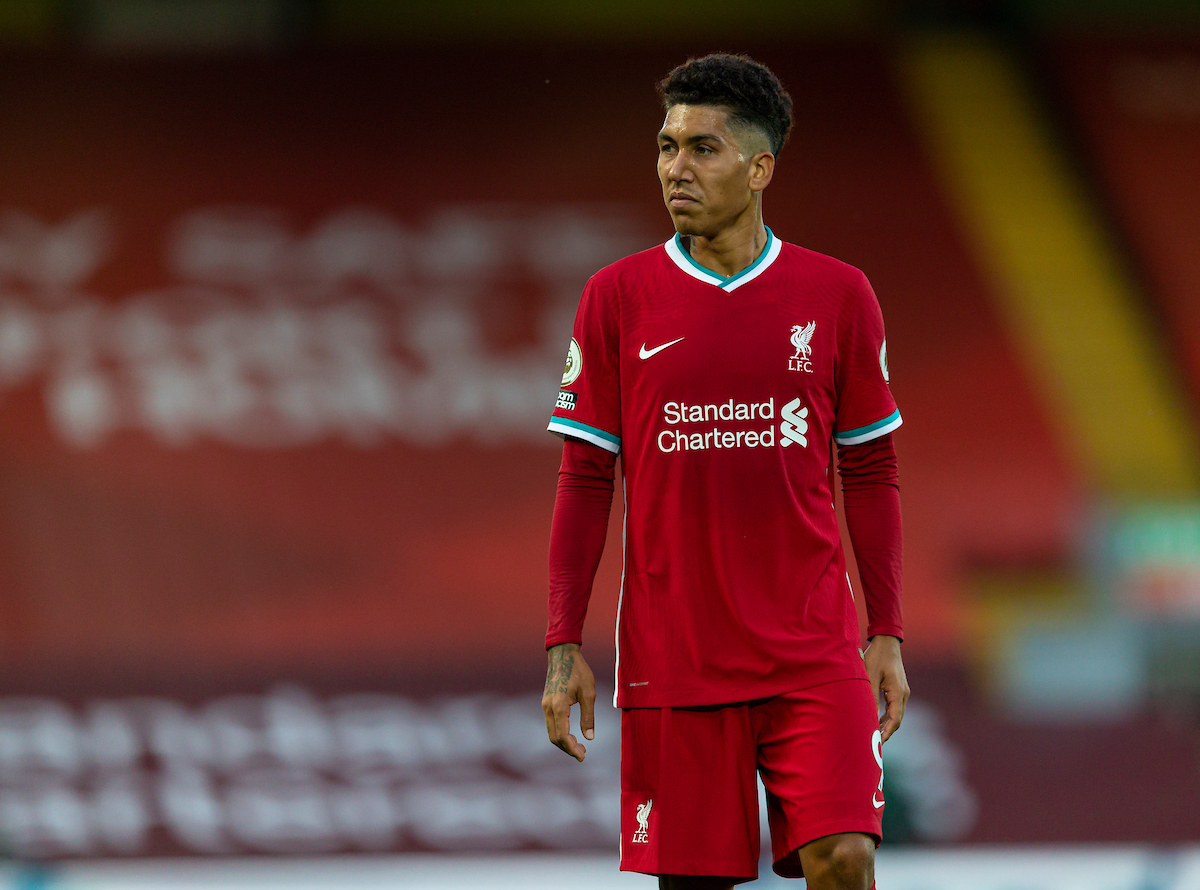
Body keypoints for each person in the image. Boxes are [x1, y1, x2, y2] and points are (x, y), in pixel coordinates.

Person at [541, 53, 909, 890]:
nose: (675, 167)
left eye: (702, 148)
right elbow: (585, 479)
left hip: (812, 650)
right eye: (666, 146)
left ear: (759, 166)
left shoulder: (839, 295)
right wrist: (563, 645)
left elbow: (872, 467)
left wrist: (885, 633)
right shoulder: (617, 297)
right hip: (675, 655)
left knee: (846, 857)